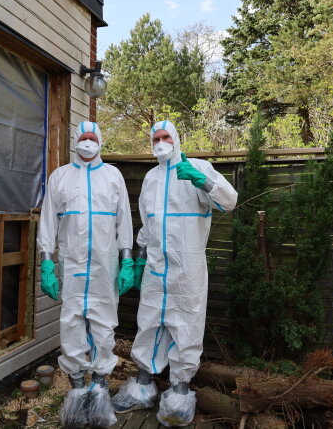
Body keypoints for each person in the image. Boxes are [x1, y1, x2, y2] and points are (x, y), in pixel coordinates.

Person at [112, 120, 238, 426]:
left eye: (166, 136)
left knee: (188, 324)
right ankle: (143, 385)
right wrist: (138, 258)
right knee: (149, 322)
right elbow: (147, 224)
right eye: (156, 137)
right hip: (156, 267)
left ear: (176, 139)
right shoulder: (151, 178)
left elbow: (229, 201)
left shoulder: (197, 167)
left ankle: (180, 392)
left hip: (188, 268)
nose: (160, 141)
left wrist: (202, 182)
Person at [37, 121, 135, 428]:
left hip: (106, 266)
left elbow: (124, 221)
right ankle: (78, 390)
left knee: (105, 325)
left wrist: (128, 258)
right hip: (72, 263)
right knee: (72, 323)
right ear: (75, 142)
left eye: (92, 137)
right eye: (83, 137)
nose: (87, 142)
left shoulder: (113, 176)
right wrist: (46, 261)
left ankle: (101, 388)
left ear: (100, 141)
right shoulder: (61, 177)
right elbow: (48, 222)